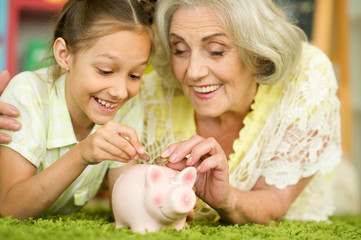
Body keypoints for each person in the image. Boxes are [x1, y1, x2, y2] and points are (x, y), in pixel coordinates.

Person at [0, 0, 343, 225]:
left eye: (216, 50)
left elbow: (276, 200)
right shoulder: (140, 93)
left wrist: (210, 199)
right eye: (179, 49)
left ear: (256, 51)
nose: (193, 72)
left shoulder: (307, 77)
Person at [0, 0, 153, 220]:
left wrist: (167, 200)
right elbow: (10, 208)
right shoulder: (28, 93)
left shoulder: (128, 106)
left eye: (134, 75)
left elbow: (123, 208)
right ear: (64, 55)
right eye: (105, 71)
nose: (120, 91)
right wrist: (82, 154)